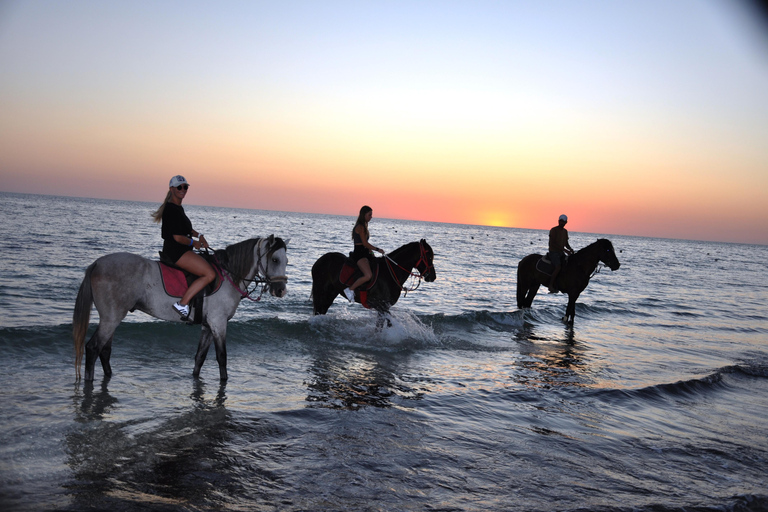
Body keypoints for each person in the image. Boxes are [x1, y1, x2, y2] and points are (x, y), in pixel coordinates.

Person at [151, 175, 216, 320]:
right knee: (209, 274)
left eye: (185, 187)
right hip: (176, 251)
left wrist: (200, 235)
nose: (183, 190)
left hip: (181, 249)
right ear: (172, 189)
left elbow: (186, 229)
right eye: (179, 187)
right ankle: (182, 304)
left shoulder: (177, 207)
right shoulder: (171, 209)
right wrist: (194, 243)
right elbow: (178, 237)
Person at [343, 205, 385, 302]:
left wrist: (371, 252)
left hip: (365, 252)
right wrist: (377, 249)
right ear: (364, 215)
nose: (371, 217)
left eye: (371, 215)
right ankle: (350, 289)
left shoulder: (364, 226)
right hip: (359, 254)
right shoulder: (360, 227)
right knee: (368, 275)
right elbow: (365, 243)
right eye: (369, 215)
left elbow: (365, 245)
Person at [548, 214, 574, 293]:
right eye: (561, 221)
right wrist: (565, 250)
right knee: (558, 266)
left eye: (563, 222)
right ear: (558, 221)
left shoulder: (565, 232)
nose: (562, 223)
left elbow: (566, 243)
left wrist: (570, 249)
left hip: (561, 252)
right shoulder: (553, 230)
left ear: (566, 222)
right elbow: (552, 243)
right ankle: (550, 285)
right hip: (553, 252)